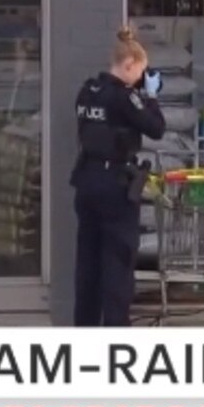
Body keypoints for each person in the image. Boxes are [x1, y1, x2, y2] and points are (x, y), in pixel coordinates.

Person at [70, 26, 166, 326]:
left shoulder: (87, 91)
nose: (140, 77)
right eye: (140, 71)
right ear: (128, 65)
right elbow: (156, 128)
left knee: (88, 263)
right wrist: (150, 96)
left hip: (86, 181)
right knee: (118, 263)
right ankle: (115, 334)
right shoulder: (124, 98)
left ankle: (84, 329)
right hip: (114, 186)